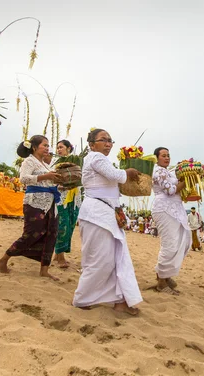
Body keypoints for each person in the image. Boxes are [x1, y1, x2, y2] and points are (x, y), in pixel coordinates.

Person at [72, 128, 142, 316]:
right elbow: (116, 176)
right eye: (103, 140)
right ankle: (83, 298)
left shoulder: (99, 159)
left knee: (114, 257)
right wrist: (127, 171)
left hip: (104, 213)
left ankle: (120, 300)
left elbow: (113, 180)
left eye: (110, 140)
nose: (108, 143)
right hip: (97, 214)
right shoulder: (95, 157)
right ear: (92, 144)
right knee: (100, 259)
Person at [0, 135, 61, 280]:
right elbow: (23, 179)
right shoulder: (29, 161)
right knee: (32, 233)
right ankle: (4, 259)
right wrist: (46, 176)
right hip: (34, 203)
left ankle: (44, 270)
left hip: (50, 204)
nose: (47, 148)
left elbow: (49, 183)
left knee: (51, 234)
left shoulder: (45, 165)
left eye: (48, 145)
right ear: (34, 147)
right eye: (44, 145)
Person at [151, 146, 192, 295]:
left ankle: (166, 275)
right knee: (169, 244)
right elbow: (171, 191)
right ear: (157, 158)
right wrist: (187, 179)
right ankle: (161, 280)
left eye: (168, 155)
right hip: (164, 209)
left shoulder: (167, 171)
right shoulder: (158, 171)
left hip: (175, 209)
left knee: (183, 241)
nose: (167, 158)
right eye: (163, 155)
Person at [53, 139, 80, 269]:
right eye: (57, 148)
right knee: (63, 224)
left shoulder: (75, 159)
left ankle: (58, 254)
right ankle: (60, 255)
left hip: (75, 196)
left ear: (69, 148)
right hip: (61, 196)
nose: (58, 150)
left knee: (71, 224)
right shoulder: (55, 162)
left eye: (61, 147)